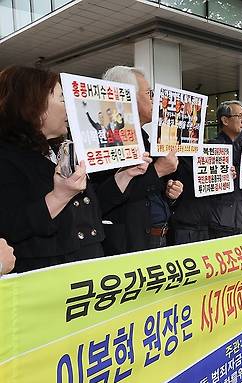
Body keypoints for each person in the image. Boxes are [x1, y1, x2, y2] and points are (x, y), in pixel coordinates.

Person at [0, 66, 147, 272]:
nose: (69, 106)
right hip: (49, 279)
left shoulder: (61, 150)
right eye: (62, 98)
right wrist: (59, 196)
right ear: (33, 104)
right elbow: (10, 225)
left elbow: (89, 208)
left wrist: (124, 176)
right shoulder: (7, 159)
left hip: (88, 266)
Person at [95, 66, 183, 254]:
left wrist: (169, 194)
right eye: (150, 93)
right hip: (128, 245)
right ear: (127, 97)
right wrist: (157, 171)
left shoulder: (144, 138)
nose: (155, 99)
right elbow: (103, 197)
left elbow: (148, 190)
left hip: (160, 236)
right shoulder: (104, 140)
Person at [171, 101, 242, 242]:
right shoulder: (213, 146)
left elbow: (241, 182)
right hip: (224, 220)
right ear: (225, 120)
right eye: (239, 116)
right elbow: (232, 155)